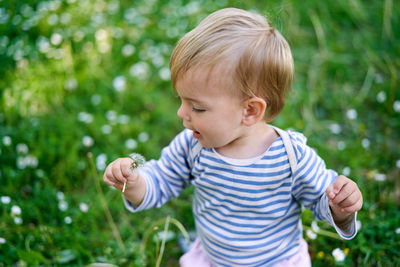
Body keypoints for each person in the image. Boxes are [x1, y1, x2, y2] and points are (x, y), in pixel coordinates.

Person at [103, 7, 363, 267]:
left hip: (277, 262)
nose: (182, 113)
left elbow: (321, 199)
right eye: (182, 100)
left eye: (197, 107)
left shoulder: (291, 157)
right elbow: (160, 180)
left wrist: (339, 210)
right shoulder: (192, 145)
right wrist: (134, 183)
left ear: (249, 111)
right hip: (213, 259)